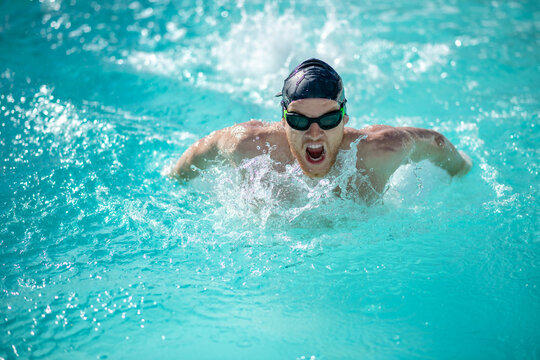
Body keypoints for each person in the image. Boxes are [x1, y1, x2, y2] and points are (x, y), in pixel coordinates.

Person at [171, 58, 471, 198]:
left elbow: (436, 143)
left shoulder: (381, 150)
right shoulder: (246, 144)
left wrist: (464, 173)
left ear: (345, 118)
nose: (314, 134)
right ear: (283, 120)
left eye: (327, 120)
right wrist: (173, 182)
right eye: (300, 120)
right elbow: (194, 156)